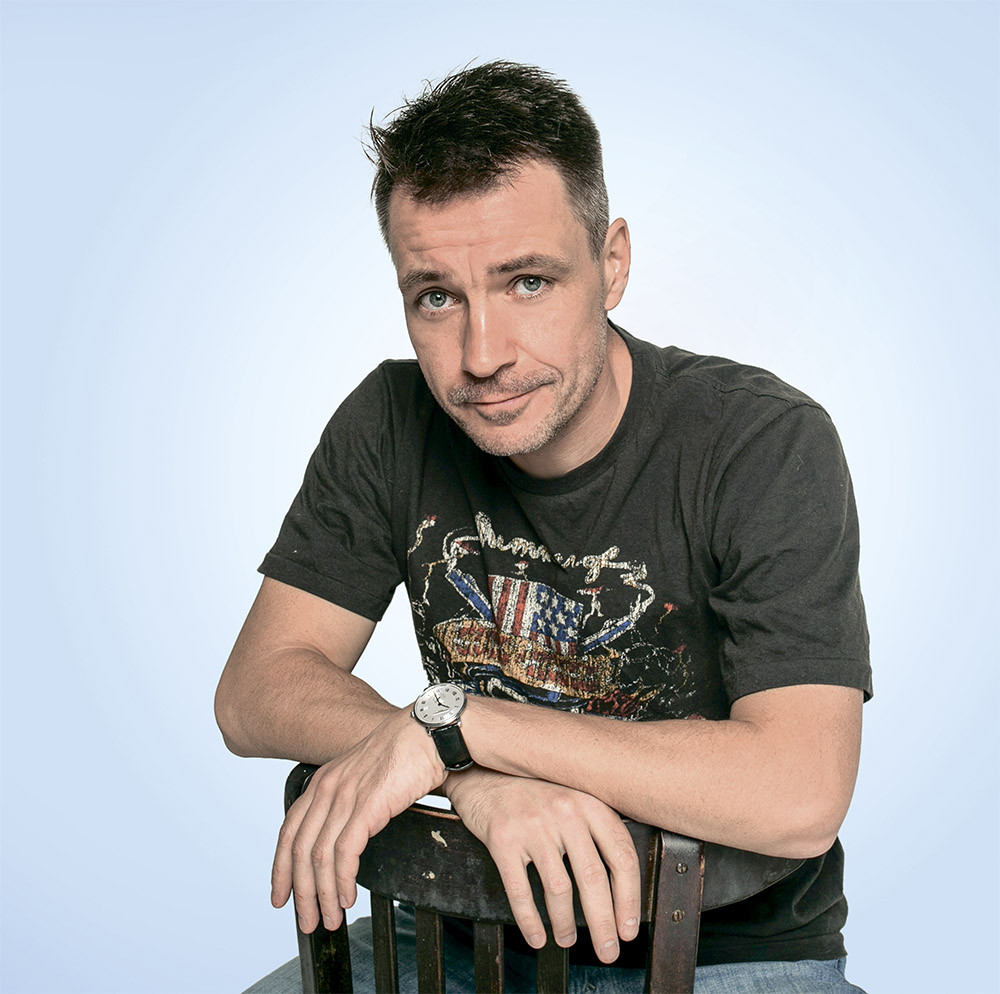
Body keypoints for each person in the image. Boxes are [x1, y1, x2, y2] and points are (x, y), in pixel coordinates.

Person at [216, 61, 872, 994]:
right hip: (450, 932)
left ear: (613, 264)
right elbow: (255, 689)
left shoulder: (761, 442)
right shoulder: (390, 423)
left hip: (725, 954)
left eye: (527, 282)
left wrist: (457, 726)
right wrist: (467, 772)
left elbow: (801, 793)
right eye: (436, 295)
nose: (482, 356)